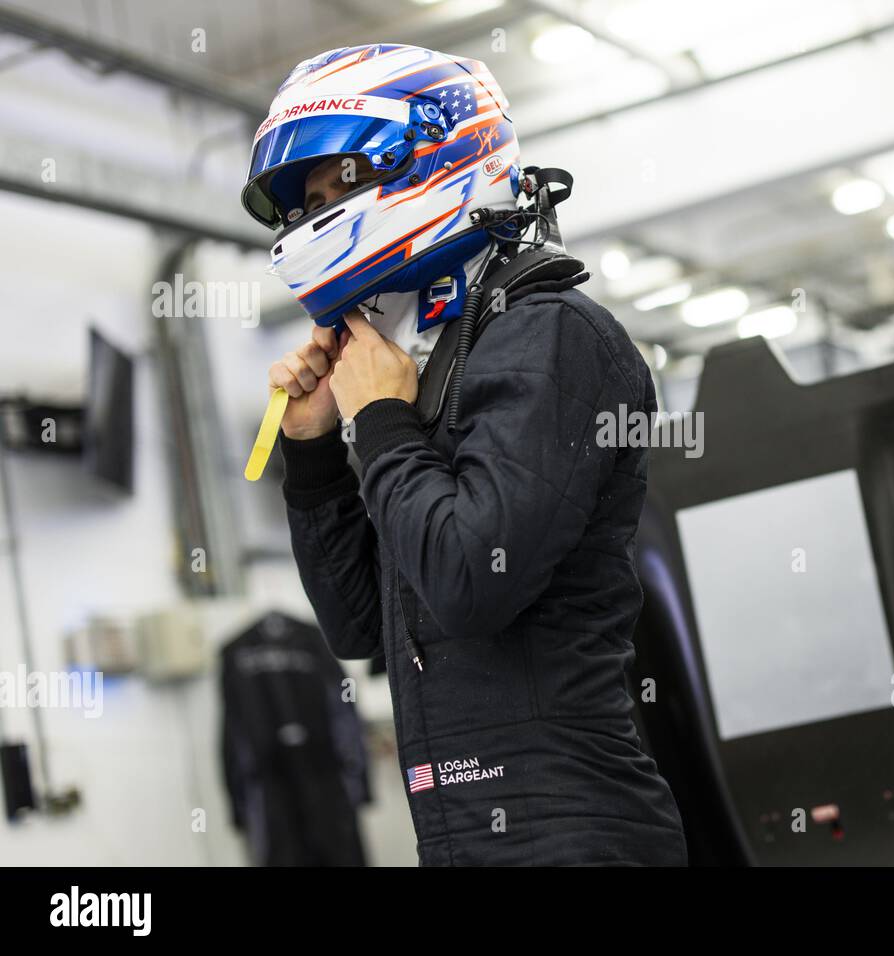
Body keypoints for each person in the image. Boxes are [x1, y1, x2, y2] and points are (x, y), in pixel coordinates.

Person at [241, 43, 686, 865]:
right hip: (462, 835)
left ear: (437, 155)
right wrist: (313, 454)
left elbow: (471, 579)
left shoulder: (551, 334)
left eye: (346, 180)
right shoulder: (442, 364)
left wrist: (379, 420)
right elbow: (357, 626)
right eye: (311, 199)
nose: (324, 210)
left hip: (571, 833)